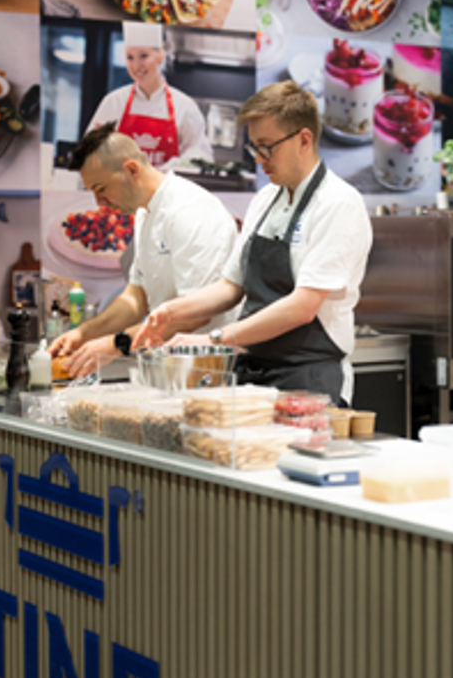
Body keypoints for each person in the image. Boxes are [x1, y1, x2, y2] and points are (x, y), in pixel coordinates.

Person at [132, 81, 373, 406]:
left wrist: (214, 339)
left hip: (309, 379)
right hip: (253, 377)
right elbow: (230, 287)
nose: (259, 159)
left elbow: (302, 307)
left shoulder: (338, 203)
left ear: (304, 140)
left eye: (267, 147)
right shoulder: (265, 199)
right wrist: (170, 312)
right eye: (254, 148)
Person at [49, 123, 237, 377]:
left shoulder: (189, 211)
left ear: (131, 169)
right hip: (168, 368)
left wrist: (117, 344)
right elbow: (136, 298)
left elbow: (195, 314)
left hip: (209, 371)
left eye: (101, 189)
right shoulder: (144, 213)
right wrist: (83, 333)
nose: (99, 203)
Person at [86, 21, 213, 167]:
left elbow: (200, 156)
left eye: (143, 56)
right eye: (130, 57)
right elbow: (88, 154)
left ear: (160, 57)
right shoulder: (113, 102)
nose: (136, 66)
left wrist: (175, 165)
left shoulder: (185, 107)